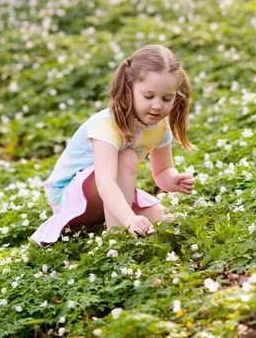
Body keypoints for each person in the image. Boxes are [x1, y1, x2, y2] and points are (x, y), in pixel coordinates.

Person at [30, 44, 195, 246]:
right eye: (148, 96)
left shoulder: (159, 127)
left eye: (167, 98)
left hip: (112, 194)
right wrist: (128, 219)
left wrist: (174, 180)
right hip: (73, 197)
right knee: (126, 156)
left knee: (164, 219)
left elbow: (162, 172)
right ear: (129, 89)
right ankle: (117, 239)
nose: (157, 105)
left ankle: (120, 222)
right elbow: (105, 182)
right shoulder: (108, 126)